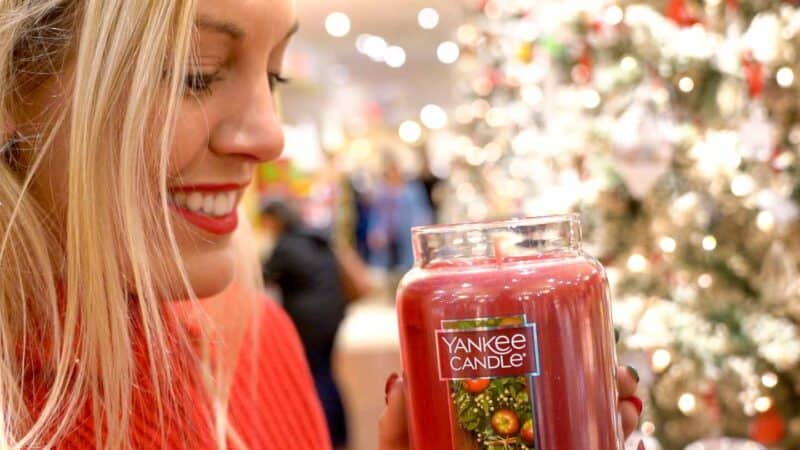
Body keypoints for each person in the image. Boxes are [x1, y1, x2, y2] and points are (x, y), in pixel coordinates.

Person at [0, 0, 643, 449]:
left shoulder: (257, 342)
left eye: (274, 75)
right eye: (196, 73)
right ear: (11, 89)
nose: (270, 137)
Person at [260, 200, 349, 449]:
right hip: (332, 316)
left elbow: (260, 275)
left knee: (317, 378)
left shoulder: (285, 247)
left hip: (309, 323)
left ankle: (325, 436)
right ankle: (340, 435)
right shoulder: (316, 239)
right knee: (328, 375)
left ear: (276, 219)